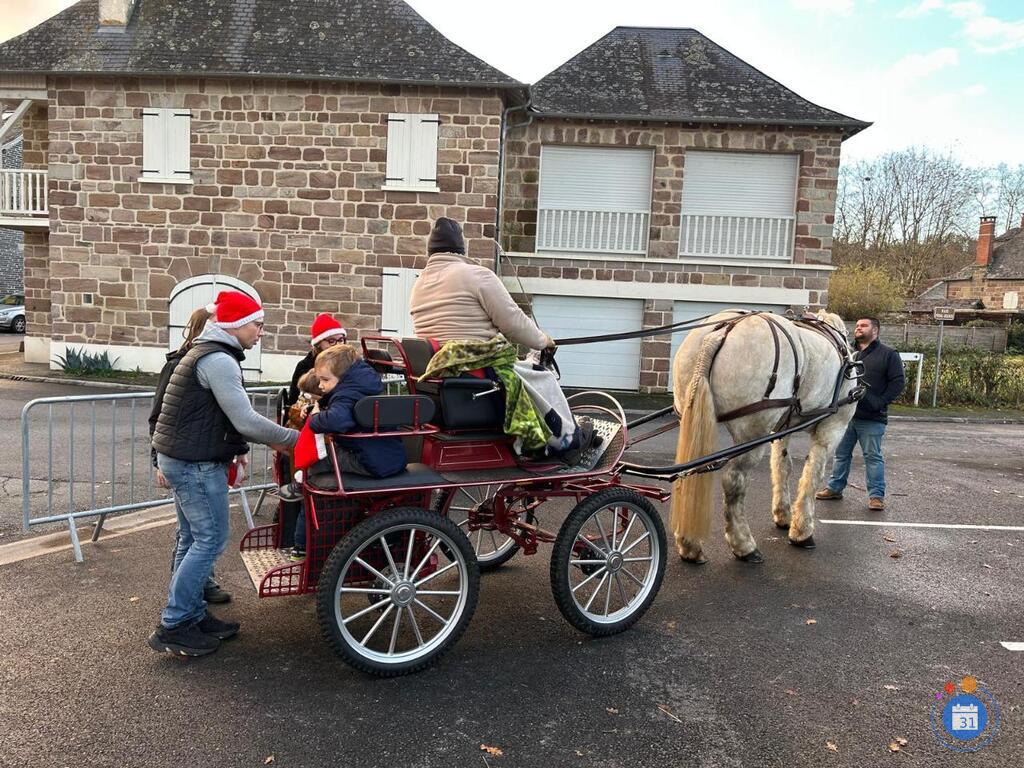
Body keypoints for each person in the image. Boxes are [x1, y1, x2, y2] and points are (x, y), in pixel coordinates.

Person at [148, 291, 299, 657]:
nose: (261, 332)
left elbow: (222, 419)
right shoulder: (218, 360)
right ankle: (175, 624)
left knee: (192, 539)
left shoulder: (206, 352)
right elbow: (245, 420)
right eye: (257, 324)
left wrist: (253, 447)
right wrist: (297, 439)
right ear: (236, 325)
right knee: (210, 540)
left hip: (183, 459)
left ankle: (192, 614)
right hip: (195, 464)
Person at [409, 217, 597, 463]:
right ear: (461, 249)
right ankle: (567, 440)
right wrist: (543, 340)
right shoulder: (476, 275)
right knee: (543, 376)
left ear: (431, 251)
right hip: (477, 376)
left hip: (443, 376)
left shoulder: (419, 283)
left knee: (527, 370)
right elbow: (514, 323)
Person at [287, 344, 407, 560]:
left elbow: (338, 419)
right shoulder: (359, 386)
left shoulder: (347, 394)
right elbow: (343, 406)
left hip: (368, 460)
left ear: (342, 377)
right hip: (380, 455)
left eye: (325, 380)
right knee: (323, 456)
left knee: (316, 462)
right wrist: (319, 406)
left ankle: (299, 484)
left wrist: (315, 418)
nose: (320, 385)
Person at [149, 306, 232, 605]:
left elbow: (223, 415)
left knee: (197, 534)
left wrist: (238, 451)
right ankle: (183, 602)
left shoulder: (215, 359)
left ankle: (192, 592)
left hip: (198, 456)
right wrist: (157, 460)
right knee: (196, 535)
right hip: (188, 460)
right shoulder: (182, 363)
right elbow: (159, 416)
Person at [817, 316, 905, 511]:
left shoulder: (889, 354)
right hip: (845, 416)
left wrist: (880, 402)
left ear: (876, 330)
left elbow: (898, 383)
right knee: (841, 454)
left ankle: (876, 496)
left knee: (872, 457)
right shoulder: (848, 352)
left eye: (864, 325)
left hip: (872, 417)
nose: (858, 328)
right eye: (857, 325)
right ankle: (835, 488)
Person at [285, 313, 347, 407]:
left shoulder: (350, 363)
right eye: (332, 341)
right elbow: (293, 401)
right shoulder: (304, 366)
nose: (338, 345)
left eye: (341, 340)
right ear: (318, 344)